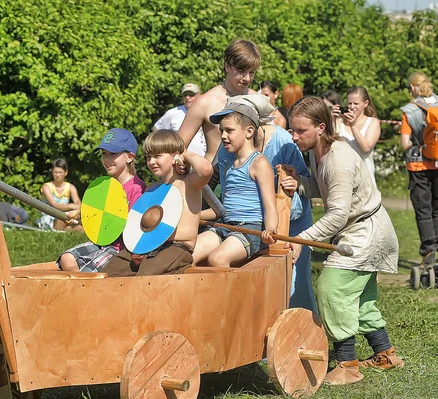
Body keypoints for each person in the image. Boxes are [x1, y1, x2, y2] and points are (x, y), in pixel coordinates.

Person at [283, 97, 403, 385]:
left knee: (331, 289)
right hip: (359, 229)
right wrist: (300, 183)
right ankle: (385, 354)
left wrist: (301, 239)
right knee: (358, 299)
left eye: (300, 131)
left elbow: (337, 214)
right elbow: (327, 189)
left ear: (321, 127)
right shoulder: (319, 152)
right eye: (292, 130)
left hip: (365, 232)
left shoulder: (339, 159)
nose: (294, 136)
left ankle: (347, 365)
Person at [209, 95, 317, 312]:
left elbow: (300, 188)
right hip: (239, 221)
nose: (224, 135)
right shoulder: (227, 147)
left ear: (252, 126)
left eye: (230, 127)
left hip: (284, 220)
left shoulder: (281, 142)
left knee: (295, 284)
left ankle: (297, 323)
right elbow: (222, 185)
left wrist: (275, 226)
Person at [101, 130, 212, 276]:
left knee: (146, 276)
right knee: (109, 273)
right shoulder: (151, 188)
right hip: (147, 247)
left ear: (175, 155)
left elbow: (205, 169)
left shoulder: (189, 183)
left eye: (157, 156)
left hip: (177, 247)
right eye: (148, 157)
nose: (151, 162)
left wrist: (184, 154)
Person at [192, 97, 278, 268]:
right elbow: (226, 208)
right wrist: (192, 216)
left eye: (229, 131)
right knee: (188, 254)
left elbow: (270, 205)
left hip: (251, 229)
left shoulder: (259, 163)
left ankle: (226, 296)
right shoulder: (229, 166)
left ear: (249, 132)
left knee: (217, 259)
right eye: (222, 131)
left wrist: (271, 230)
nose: (223, 136)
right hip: (226, 225)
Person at [58, 128, 146, 272]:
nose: (107, 159)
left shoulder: (137, 189)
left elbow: (132, 226)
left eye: (113, 154)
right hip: (101, 242)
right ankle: (80, 291)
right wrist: (80, 214)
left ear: (129, 156)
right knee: (66, 259)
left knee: (87, 273)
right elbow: (100, 213)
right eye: (104, 154)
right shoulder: (104, 186)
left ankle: (84, 291)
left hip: (121, 249)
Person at [178, 39, 261, 164]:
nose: (247, 78)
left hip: (251, 177)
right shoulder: (205, 102)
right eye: (241, 71)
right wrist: (199, 167)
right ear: (227, 66)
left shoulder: (258, 101)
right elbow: (177, 147)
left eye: (252, 72)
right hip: (214, 178)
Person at [400, 72, 438, 265]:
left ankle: (428, 253)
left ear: (413, 88)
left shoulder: (410, 110)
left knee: (423, 209)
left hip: (418, 164)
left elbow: (405, 143)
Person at [337, 86, 381, 184]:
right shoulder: (339, 122)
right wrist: (331, 119)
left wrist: (353, 126)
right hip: (342, 180)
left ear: (366, 104)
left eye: (356, 103)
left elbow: (366, 147)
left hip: (365, 181)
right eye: (349, 103)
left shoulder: (372, 122)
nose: (352, 107)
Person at [153, 83, 207, 157]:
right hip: (180, 161)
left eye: (191, 95)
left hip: (205, 160)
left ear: (200, 95)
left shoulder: (207, 111)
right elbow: (156, 131)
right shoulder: (173, 113)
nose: (187, 97)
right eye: (185, 95)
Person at [39, 159, 82, 231]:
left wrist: (75, 209)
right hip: (51, 218)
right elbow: (55, 205)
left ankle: (68, 230)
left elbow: (79, 204)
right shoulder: (46, 187)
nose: (57, 175)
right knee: (63, 218)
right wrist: (70, 206)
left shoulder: (70, 187)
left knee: (79, 225)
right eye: (55, 172)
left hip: (66, 217)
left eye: (60, 172)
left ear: (66, 172)